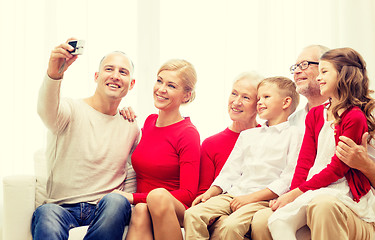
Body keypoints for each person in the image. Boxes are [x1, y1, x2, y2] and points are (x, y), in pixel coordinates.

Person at [251, 45, 375, 240]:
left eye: (323, 71)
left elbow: (337, 168)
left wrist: (366, 165)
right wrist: (292, 194)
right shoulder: (310, 116)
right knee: (271, 220)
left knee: (322, 206)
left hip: (339, 190)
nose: (318, 77)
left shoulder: (357, 116)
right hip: (312, 186)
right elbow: (304, 162)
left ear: (343, 75)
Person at [32, 39, 140, 240]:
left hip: (105, 209)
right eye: (109, 69)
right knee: (46, 214)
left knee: (117, 202)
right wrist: (54, 73)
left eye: (123, 72)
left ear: (131, 84)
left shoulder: (130, 125)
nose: (115, 76)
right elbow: (45, 111)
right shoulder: (70, 110)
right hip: (60, 208)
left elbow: (132, 172)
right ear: (97, 76)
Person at [184, 76, 302, 240]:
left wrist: (250, 198)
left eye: (266, 97)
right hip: (234, 194)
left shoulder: (295, 134)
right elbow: (230, 171)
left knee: (230, 227)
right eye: (258, 98)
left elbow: (288, 178)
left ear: (285, 103)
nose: (259, 102)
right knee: (192, 215)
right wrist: (211, 192)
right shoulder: (248, 135)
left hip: (262, 199)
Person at [116, 59, 200, 240]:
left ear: (186, 96)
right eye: (160, 80)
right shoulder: (149, 121)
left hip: (172, 207)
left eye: (171, 85)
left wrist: (132, 197)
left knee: (156, 197)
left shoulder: (188, 133)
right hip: (143, 206)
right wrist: (120, 114)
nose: (161, 89)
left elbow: (188, 194)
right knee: (140, 210)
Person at [197, 72, 262, 196]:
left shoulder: (270, 138)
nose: (236, 102)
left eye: (246, 97)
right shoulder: (210, 144)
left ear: (258, 105)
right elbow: (203, 193)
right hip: (218, 210)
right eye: (234, 94)